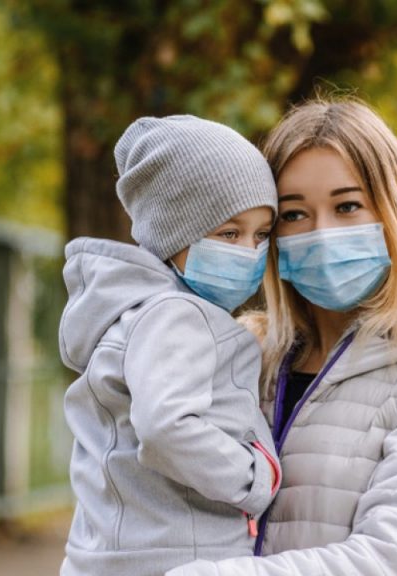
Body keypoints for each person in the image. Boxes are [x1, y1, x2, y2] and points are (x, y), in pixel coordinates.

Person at [167, 98, 397, 576]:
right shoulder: (245, 356)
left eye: (347, 206)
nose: (322, 234)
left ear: (396, 216)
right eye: (294, 214)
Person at [59, 115, 283, 576]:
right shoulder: (178, 314)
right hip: (180, 557)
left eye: (261, 235)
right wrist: (255, 477)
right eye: (229, 233)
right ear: (172, 232)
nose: (249, 251)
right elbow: (165, 426)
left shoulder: (131, 311)